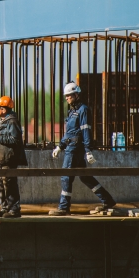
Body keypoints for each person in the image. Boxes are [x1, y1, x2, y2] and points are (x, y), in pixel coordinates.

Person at [49, 82, 117, 216]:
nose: (67, 98)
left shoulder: (83, 110)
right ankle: (107, 200)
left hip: (75, 148)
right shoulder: (72, 111)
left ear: (76, 95)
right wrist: (60, 146)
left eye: (69, 96)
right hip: (70, 146)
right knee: (85, 177)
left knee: (66, 176)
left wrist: (88, 150)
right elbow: (69, 133)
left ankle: (63, 207)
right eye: (66, 96)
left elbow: (86, 130)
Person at [0, 96, 27, 218]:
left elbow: (15, 140)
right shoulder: (2, 121)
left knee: (10, 185)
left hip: (8, 160)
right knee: (0, 186)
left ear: (4, 110)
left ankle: (14, 210)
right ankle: (5, 208)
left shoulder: (12, 122)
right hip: (0, 159)